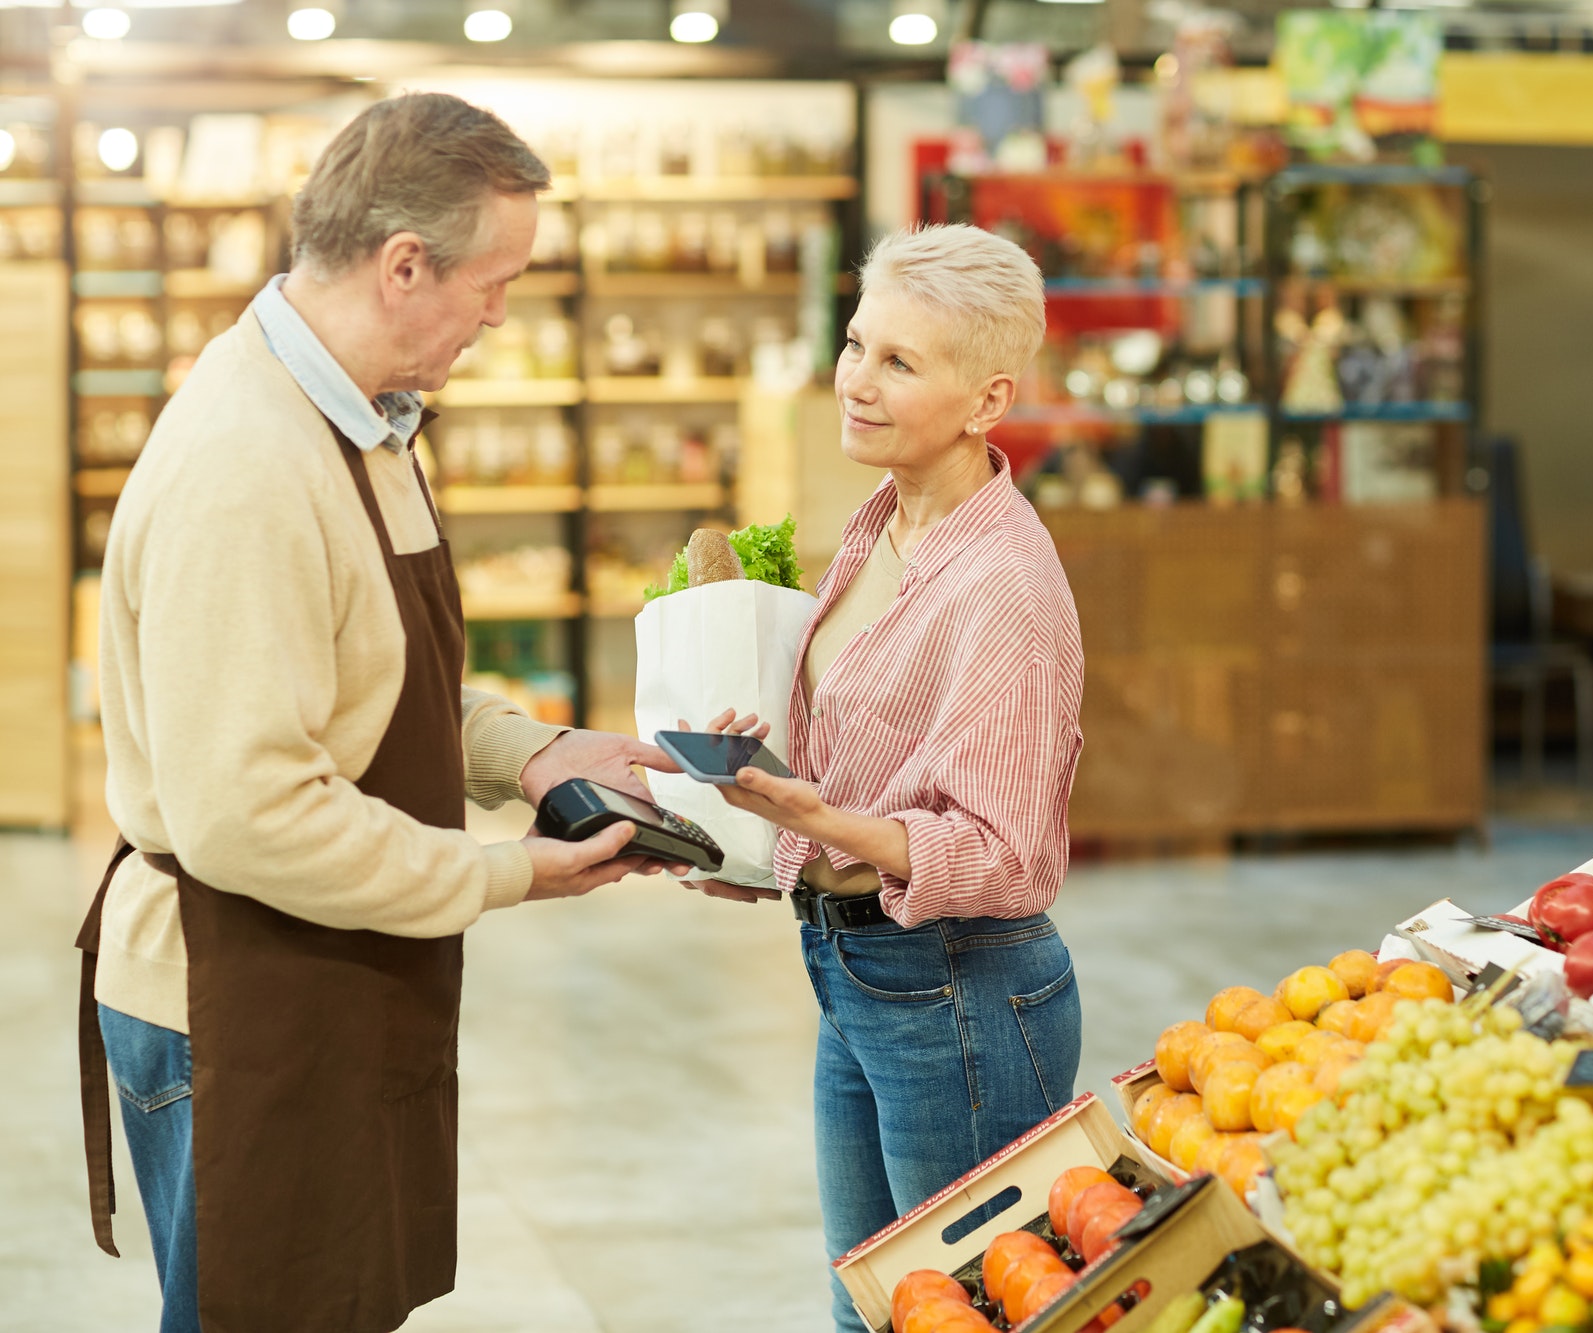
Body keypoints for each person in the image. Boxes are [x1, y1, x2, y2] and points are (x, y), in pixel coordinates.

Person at [76, 93, 703, 1333]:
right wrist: (503, 873)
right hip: (237, 996)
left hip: (328, 966)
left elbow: (385, 676)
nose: (499, 315)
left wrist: (534, 754)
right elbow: (248, 813)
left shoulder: (359, 419)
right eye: (492, 281)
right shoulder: (248, 469)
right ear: (403, 264)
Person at [709, 223, 1085, 1331]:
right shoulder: (880, 523)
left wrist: (832, 824)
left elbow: (1007, 854)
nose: (854, 382)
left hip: (958, 986)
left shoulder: (1003, 586)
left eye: (898, 362)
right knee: (867, 1307)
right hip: (856, 969)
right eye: (857, 342)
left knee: (963, 1315)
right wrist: (747, 840)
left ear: (986, 399)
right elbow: (854, 757)